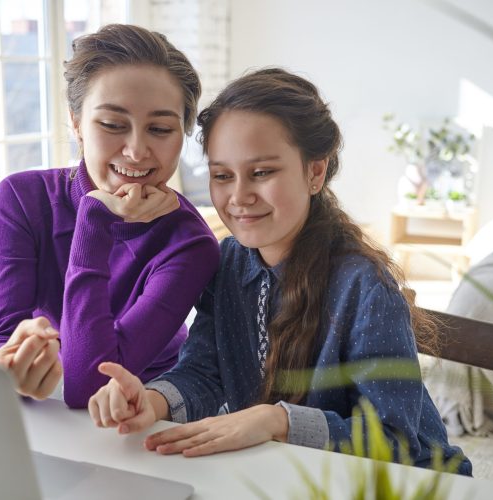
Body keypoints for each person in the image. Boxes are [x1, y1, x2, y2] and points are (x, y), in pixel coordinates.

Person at [87, 68, 471, 474]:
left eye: (262, 172)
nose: (238, 197)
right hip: (296, 475)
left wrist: (278, 421)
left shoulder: (364, 286)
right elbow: (204, 370)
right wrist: (151, 401)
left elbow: (393, 440)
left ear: (315, 172)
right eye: (222, 175)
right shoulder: (229, 261)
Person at [0, 24, 220, 408]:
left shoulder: (191, 243)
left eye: (159, 128)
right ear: (76, 122)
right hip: (45, 412)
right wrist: (5, 364)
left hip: (145, 415)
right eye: (112, 125)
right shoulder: (22, 199)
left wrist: (94, 220)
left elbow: (89, 384)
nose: (137, 151)